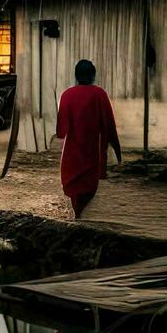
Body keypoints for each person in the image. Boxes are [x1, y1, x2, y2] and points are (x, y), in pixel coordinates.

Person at [56, 59, 121, 219]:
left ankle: (78, 216)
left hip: (72, 156)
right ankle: (82, 218)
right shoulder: (100, 94)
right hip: (93, 153)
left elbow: (60, 131)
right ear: (93, 75)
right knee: (88, 190)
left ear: (76, 76)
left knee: (74, 191)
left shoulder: (67, 95)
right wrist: (117, 150)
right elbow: (109, 125)